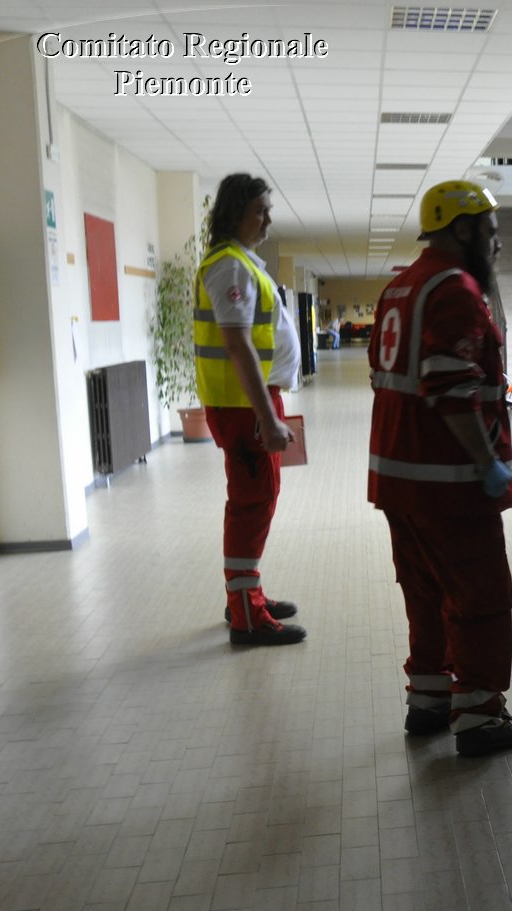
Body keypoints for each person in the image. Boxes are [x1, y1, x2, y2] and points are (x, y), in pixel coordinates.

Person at [368, 180, 512, 757]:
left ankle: (430, 701)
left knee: (425, 590)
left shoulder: (398, 288)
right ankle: (480, 716)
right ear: (463, 230)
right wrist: (487, 462)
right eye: (490, 233)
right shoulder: (455, 288)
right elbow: (449, 388)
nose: (495, 246)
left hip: (398, 478)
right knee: (481, 595)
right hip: (449, 483)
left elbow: (387, 378)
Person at [194, 172, 305, 647]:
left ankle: (246, 594)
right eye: (260, 210)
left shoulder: (242, 262)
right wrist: (267, 416)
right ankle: (246, 614)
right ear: (234, 212)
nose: (267, 219)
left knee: (257, 501)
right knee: (252, 503)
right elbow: (237, 345)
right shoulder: (230, 267)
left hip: (249, 401)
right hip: (244, 405)